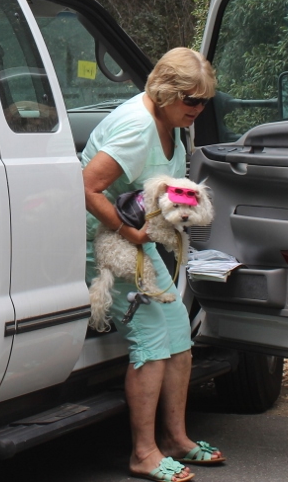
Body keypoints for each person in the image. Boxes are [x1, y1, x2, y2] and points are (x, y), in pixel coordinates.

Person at [81, 47, 223, 482]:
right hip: (108, 242)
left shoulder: (172, 123)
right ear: (164, 93)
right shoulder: (138, 128)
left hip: (139, 240)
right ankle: (144, 452)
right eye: (192, 101)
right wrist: (131, 234)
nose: (199, 110)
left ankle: (177, 439)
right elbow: (86, 187)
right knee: (151, 335)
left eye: (204, 102)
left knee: (178, 329)